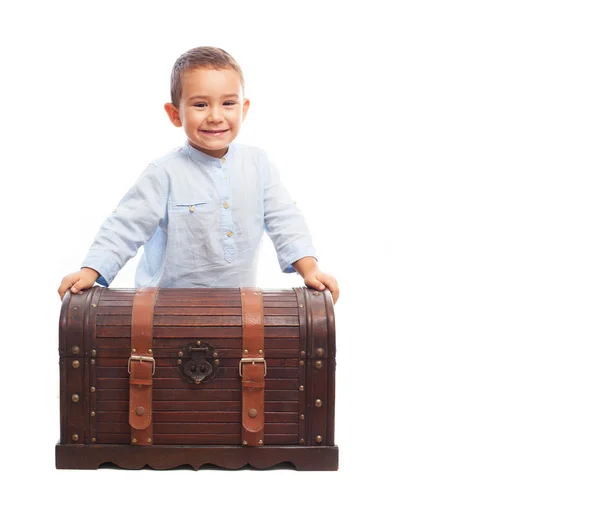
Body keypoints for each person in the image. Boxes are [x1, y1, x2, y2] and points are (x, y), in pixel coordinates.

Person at [57, 46, 339, 303]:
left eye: (228, 103)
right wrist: (91, 271)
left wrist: (309, 269)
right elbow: (124, 227)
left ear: (244, 109)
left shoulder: (258, 164)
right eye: (200, 105)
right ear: (174, 114)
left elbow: (285, 219)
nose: (216, 116)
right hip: (163, 311)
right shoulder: (164, 172)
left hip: (237, 309)